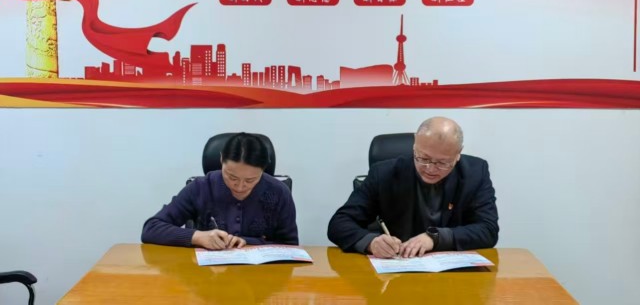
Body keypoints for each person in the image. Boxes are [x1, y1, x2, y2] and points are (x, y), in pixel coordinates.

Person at [327, 117, 498, 259]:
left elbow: (488, 230)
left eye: (442, 162)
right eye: (423, 158)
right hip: (396, 270)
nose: (431, 169)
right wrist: (371, 242)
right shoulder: (384, 173)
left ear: (458, 154)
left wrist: (435, 238)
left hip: (453, 277)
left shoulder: (476, 173)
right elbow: (339, 223)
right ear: (414, 145)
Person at [142, 132, 298, 249]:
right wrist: (198, 237)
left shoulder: (279, 192)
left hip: (261, 277)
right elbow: (151, 228)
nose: (239, 186)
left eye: (250, 180)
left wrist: (249, 242)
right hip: (209, 276)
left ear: (263, 170)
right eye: (232, 177)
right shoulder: (201, 187)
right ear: (221, 159)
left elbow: (290, 246)